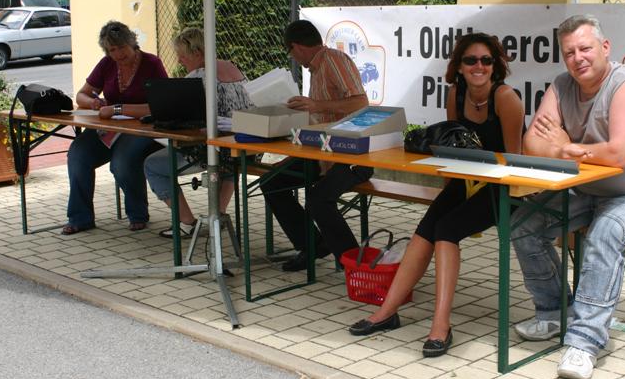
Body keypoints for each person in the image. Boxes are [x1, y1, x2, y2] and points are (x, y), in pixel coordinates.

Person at [511, 15, 625, 379]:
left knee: (605, 232)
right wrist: (570, 150)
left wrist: (564, 144)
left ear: (604, 48)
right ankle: (553, 312)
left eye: (585, 48)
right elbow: (532, 144)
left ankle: (584, 342)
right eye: (569, 52)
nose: (577, 58)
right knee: (522, 224)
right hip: (586, 190)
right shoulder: (561, 85)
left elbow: (617, 155)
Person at [348, 33, 525, 358]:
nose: (479, 66)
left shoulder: (506, 98)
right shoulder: (456, 94)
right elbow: (456, 149)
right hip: (467, 179)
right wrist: (448, 198)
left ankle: (441, 325)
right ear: (458, 66)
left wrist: (467, 201)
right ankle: (386, 312)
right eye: (471, 60)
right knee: (428, 226)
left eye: (486, 60)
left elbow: (514, 160)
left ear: (496, 65)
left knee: (446, 230)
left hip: (504, 187)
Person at [261, 20, 371, 272]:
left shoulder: (333, 60)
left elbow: (361, 104)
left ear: (297, 47)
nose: (293, 57)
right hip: (323, 150)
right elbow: (321, 118)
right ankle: (313, 245)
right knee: (272, 182)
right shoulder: (316, 68)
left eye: (290, 52)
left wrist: (317, 106)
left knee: (318, 199)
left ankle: (354, 264)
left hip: (352, 154)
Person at [144, 28, 254, 237]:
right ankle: (218, 215)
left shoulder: (199, 76)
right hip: (243, 145)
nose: (179, 60)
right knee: (229, 164)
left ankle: (186, 223)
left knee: (152, 165)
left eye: (182, 55)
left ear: (197, 53)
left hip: (214, 149)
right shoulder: (232, 67)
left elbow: (182, 113)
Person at [63, 21, 168, 235]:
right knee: (78, 154)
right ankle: (80, 217)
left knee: (122, 162)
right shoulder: (106, 64)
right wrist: (93, 102)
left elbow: (160, 105)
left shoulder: (151, 63)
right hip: (109, 129)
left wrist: (117, 108)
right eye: (112, 50)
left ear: (132, 43)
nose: (118, 54)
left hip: (143, 129)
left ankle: (138, 214)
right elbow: (82, 95)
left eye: (122, 48)